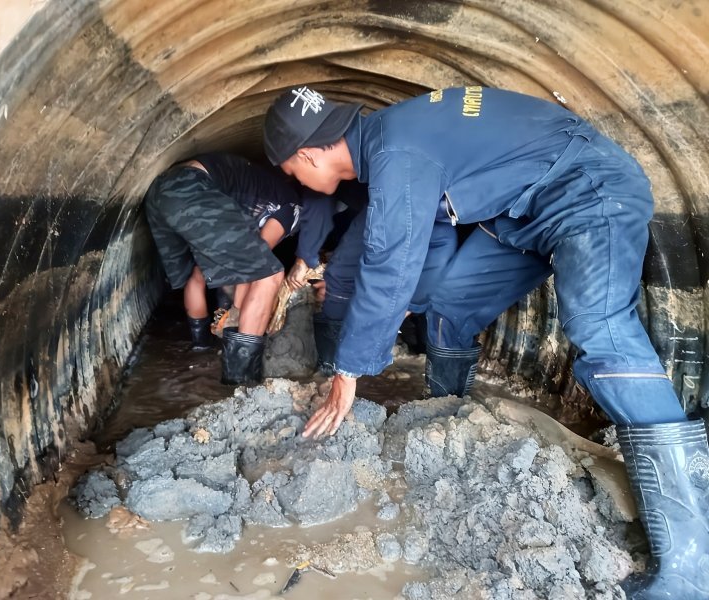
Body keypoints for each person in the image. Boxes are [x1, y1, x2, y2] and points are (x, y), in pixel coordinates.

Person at [263, 84, 709, 598]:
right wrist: (404, 305)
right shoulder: (393, 143)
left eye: (292, 172)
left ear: (310, 154)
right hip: (522, 219)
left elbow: (389, 264)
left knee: (598, 324)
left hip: (587, 191)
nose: (297, 180)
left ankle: (690, 561)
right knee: (450, 308)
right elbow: (420, 249)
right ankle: (446, 424)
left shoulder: (396, 151)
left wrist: (348, 374)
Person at [144, 152, 300, 385]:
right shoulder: (293, 207)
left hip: (160, 193)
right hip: (192, 187)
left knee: (195, 273)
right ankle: (240, 379)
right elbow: (257, 263)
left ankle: (200, 348)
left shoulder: (258, 187)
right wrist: (236, 311)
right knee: (271, 274)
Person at [288, 182, 457, 374]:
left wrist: (407, 308)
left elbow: (440, 247)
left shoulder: (409, 199)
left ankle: (339, 370)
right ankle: (336, 370)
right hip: (383, 217)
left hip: (404, 224)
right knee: (343, 279)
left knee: (345, 280)